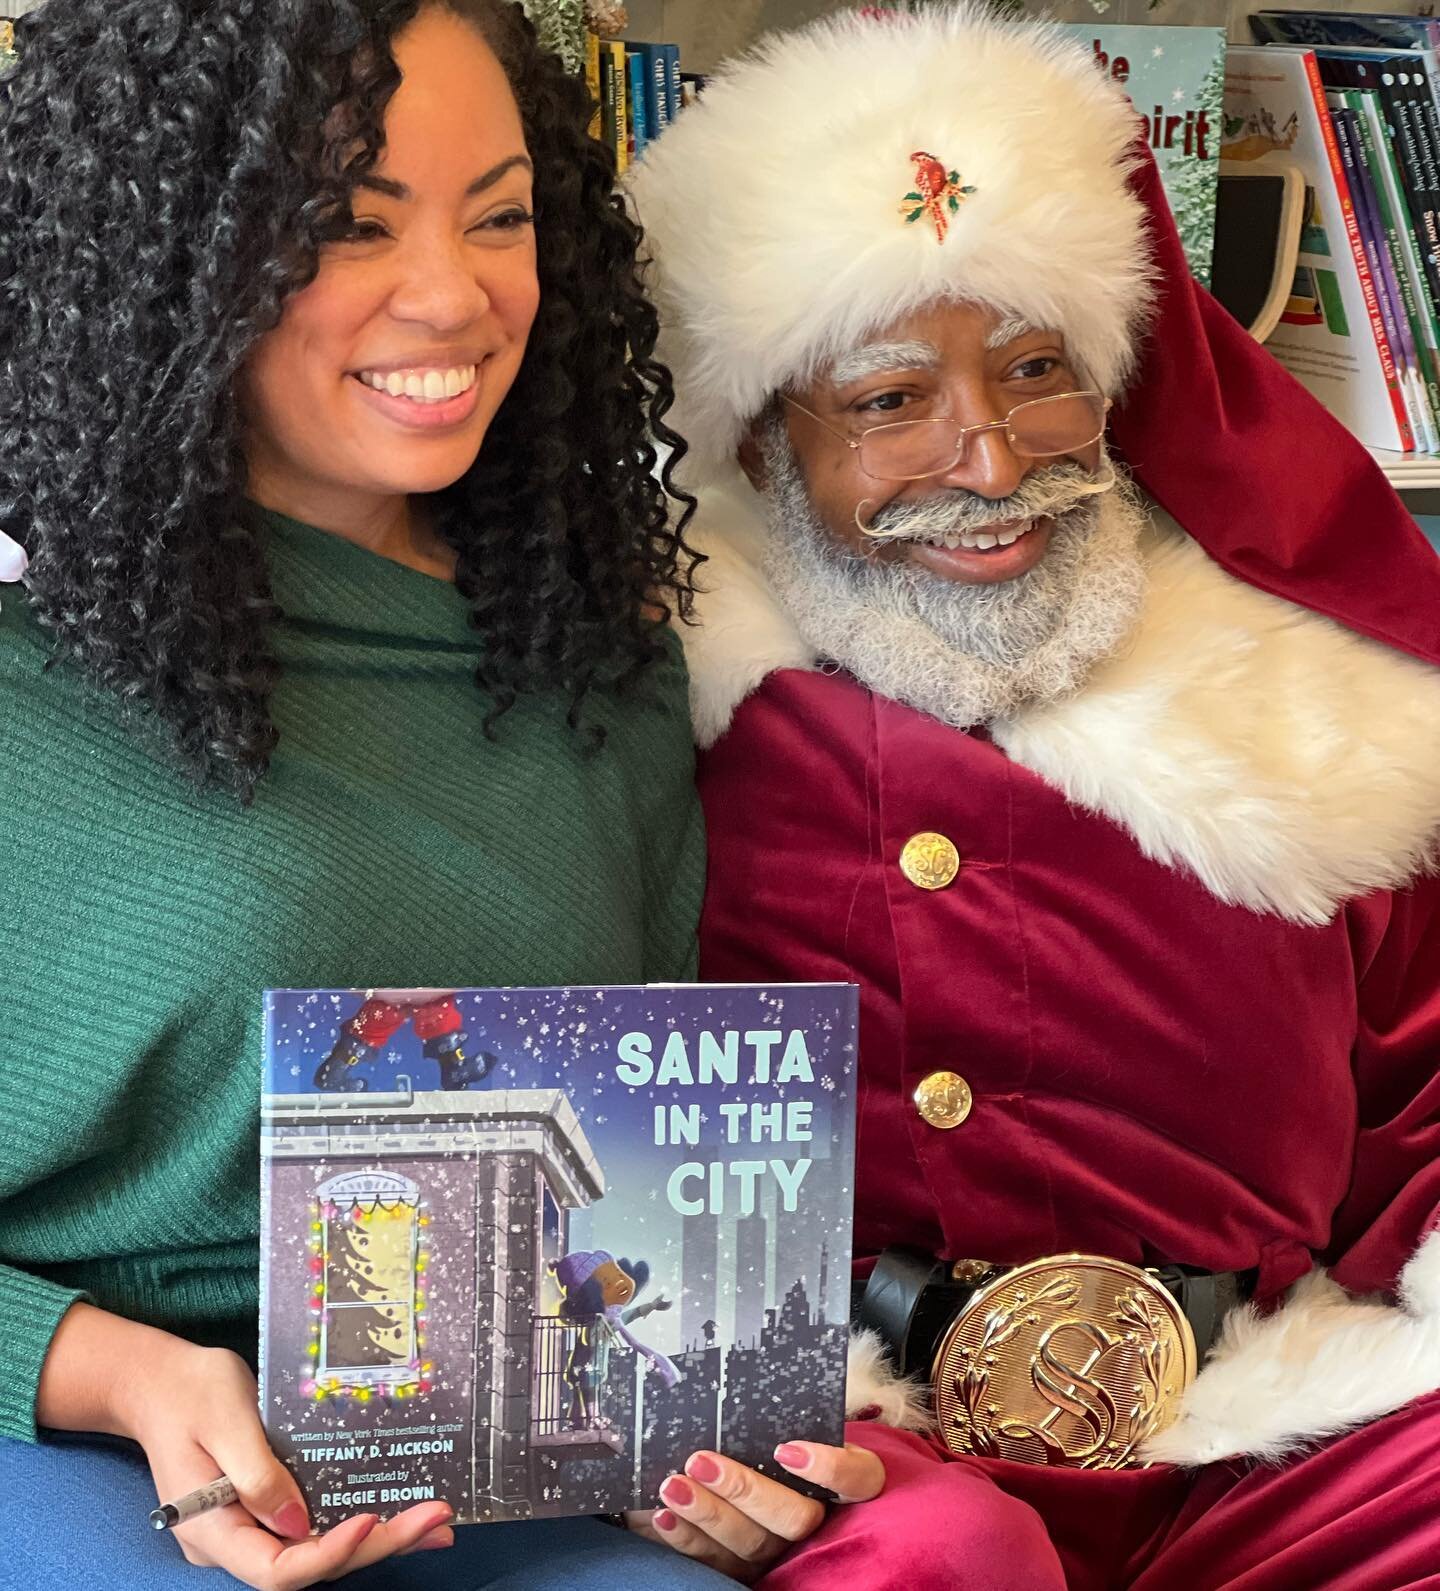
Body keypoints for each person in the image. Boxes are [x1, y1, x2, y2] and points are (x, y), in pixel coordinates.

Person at [622, 5, 1440, 1587]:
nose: (990, 460)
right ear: (763, 432)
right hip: (853, 1457)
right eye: (885, 400)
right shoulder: (651, 707)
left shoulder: (1321, 703)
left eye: (1035, 370)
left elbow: (1425, 1087)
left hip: (1268, 1428)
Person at [0, 2, 721, 1587]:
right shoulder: (22, 696)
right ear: (165, 259)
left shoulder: (607, 666)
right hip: (78, 1439)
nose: (458, 296)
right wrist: (129, 1375)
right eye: (345, 222)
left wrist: (713, 1426)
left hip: (496, 1471)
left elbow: (654, 1166)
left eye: (504, 217)